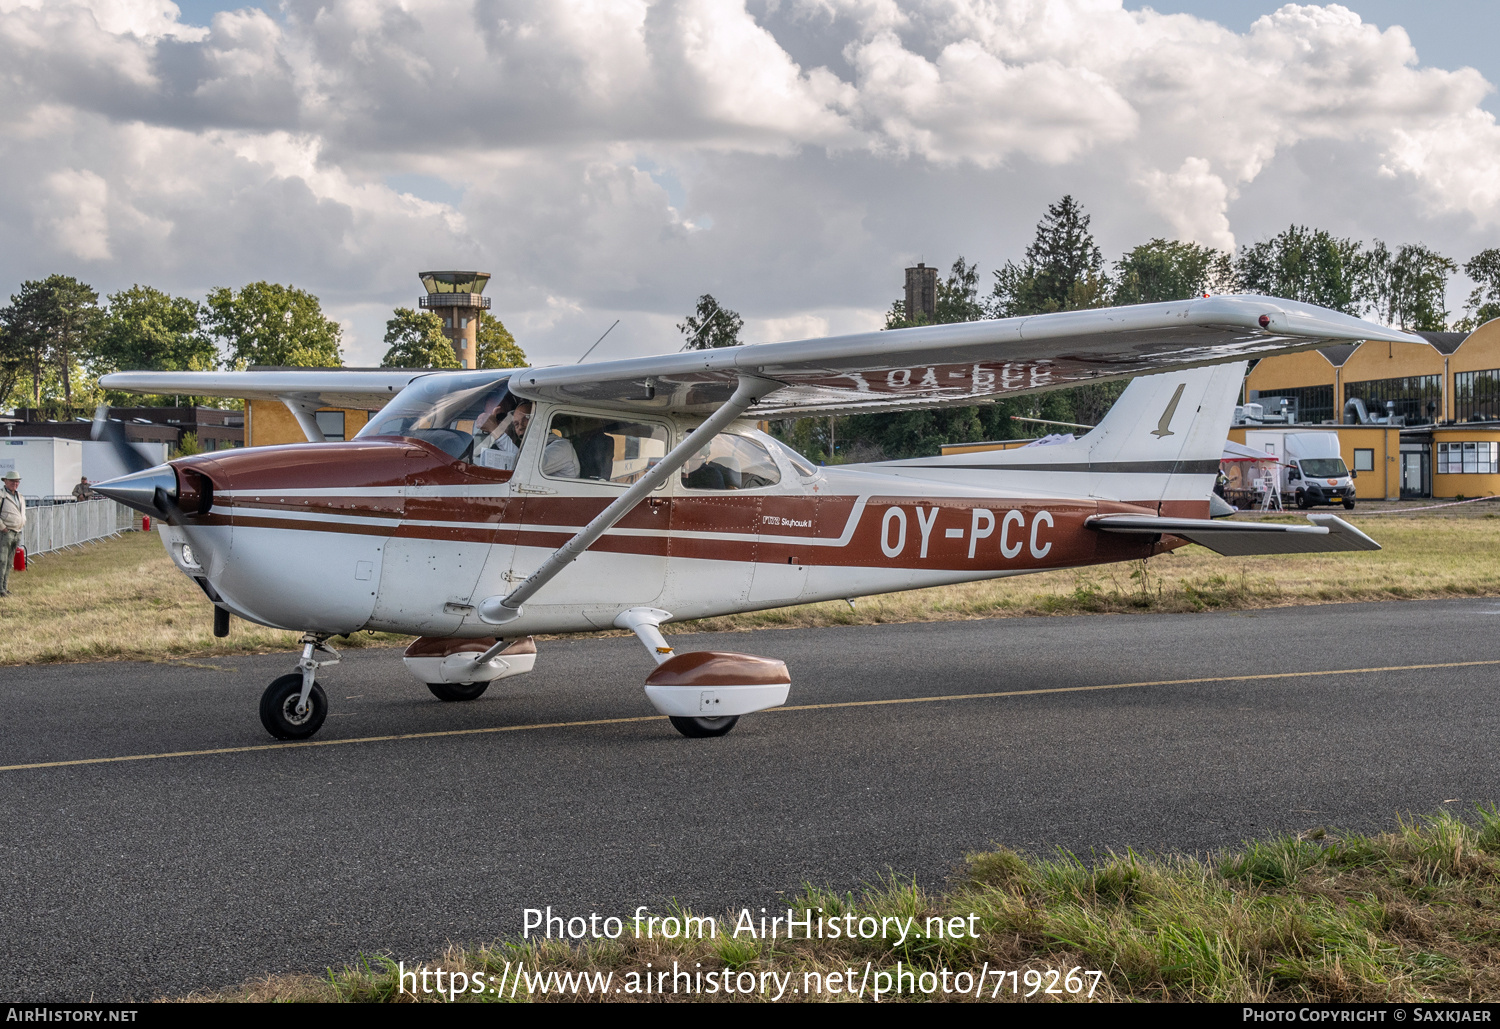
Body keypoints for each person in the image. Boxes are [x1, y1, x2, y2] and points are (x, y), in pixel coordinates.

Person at [472, 398, 532, 472]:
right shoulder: (483, 446)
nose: (492, 422)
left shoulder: (541, 444)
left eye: (500, 416)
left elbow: (525, 465)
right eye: (487, 420)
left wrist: (494, 429)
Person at [0, 470, 25, 597]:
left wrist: (22, 523)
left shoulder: (19, 496)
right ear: (5, 481)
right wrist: (3, 527)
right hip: (5, 533)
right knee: (2, 561)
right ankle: (1, 589)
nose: (15, 483)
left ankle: (4, 587)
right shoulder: (1, 495)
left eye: (17, 481)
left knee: (9, 562)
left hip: (16, 532)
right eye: (12, 481)